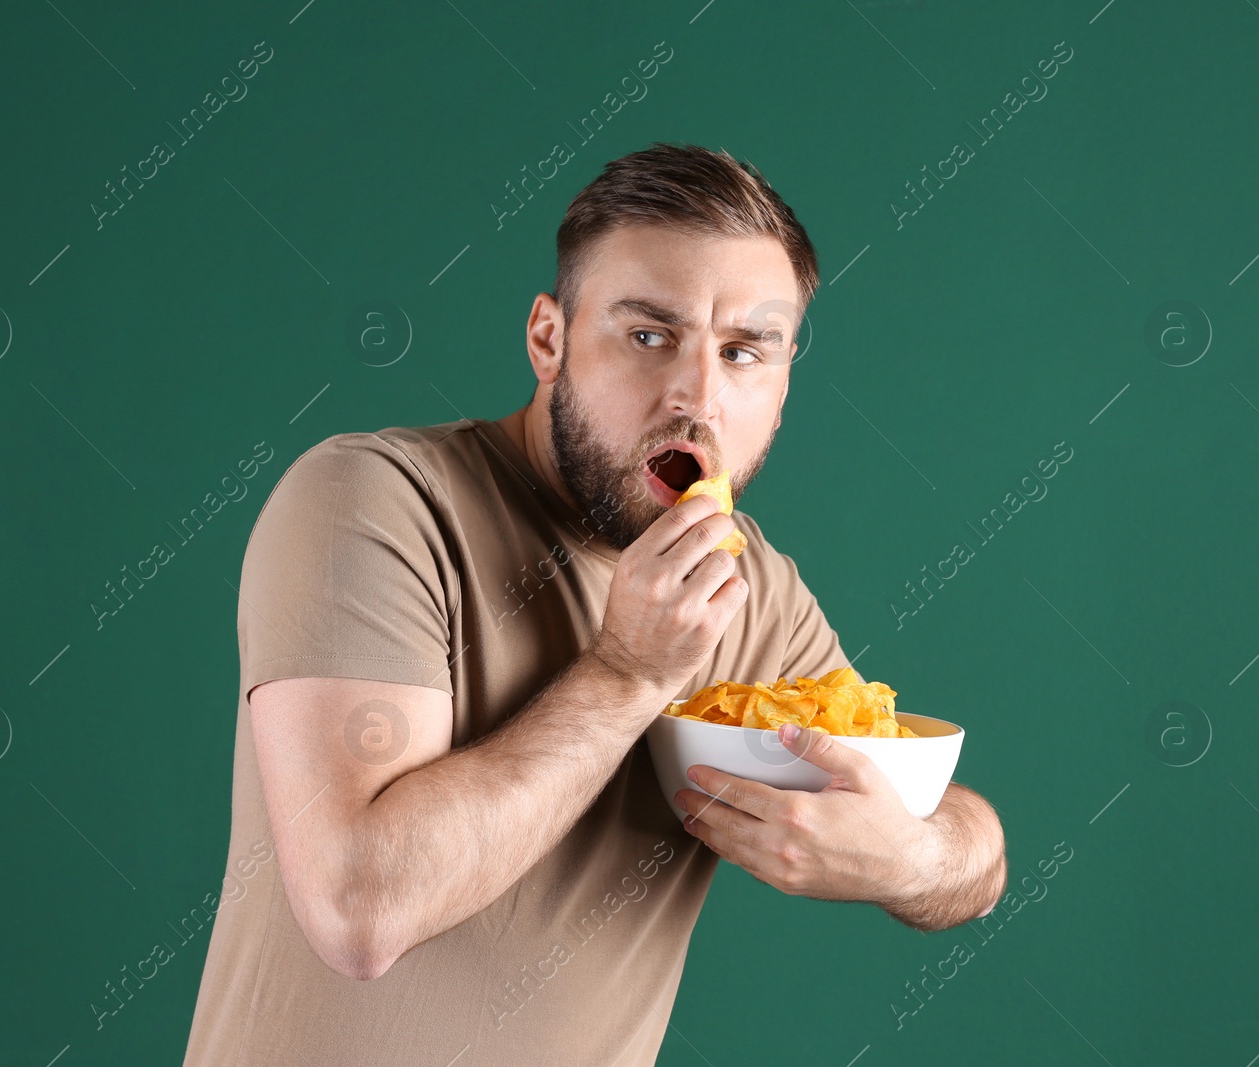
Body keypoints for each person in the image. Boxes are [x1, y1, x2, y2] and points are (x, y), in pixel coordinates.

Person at [182, 142, 1006, 1066]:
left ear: (780, 389)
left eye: (743, 352)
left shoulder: (751, 588)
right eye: (650, 335)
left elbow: (971, 849)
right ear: (548, 338)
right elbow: (360, 910)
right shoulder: (375, 501)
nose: (695, 396)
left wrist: (910, 860)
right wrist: (629, 673)